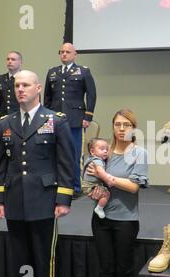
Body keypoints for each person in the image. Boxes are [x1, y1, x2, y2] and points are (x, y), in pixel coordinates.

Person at [0, 70, 75, 277]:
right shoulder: (6, 123)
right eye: (17, 85)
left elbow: (66, 163)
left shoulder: (55, 120)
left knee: (42, 259)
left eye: (26, 85)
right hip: (15, 201)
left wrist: (63, 199)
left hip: (45, 201)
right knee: (21, 261)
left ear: (38, 88)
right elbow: (0, 165)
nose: (20, 89)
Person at [87, 108, 148, 277]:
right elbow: (91, 180)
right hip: (101, 220)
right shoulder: (104, 154)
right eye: (117, 124)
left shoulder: (140, 153)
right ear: (113, 127)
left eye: (126, 125)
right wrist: (93, 192)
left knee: (124, 271)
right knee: (105, 270)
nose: (121, 129)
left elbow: (133, 187)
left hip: (126, 221)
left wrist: (107, 178)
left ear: (134, 128)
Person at [44, 42, 97, 198]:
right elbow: (47, 97)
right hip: (54, 119)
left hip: (75, 119)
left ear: (75, 54)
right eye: (61, 52)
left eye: (67, 52)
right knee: (53, 152)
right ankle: (57, 184)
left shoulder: (83, 72)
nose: (64, 54)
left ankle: (75, 186)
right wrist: (46, 116)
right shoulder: (52, 72)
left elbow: (91, 94)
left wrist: (88, 116)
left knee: (74, 153)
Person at [82, 138, 111, 219]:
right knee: (106, 194)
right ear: (92, 151)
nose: (105, 151)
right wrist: (108, 179)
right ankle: (99, 208)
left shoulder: (90, 159)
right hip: (90, 185)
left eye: (107, 149)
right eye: (102, 149)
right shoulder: (97, 161)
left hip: (87, 184)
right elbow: (100, 171)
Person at [0, 51, 22, 126]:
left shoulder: (26, 77)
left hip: (20, 120)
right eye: (8, 59)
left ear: (20, 62)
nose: (10, 61)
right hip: (4, 120)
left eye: (13, 59)